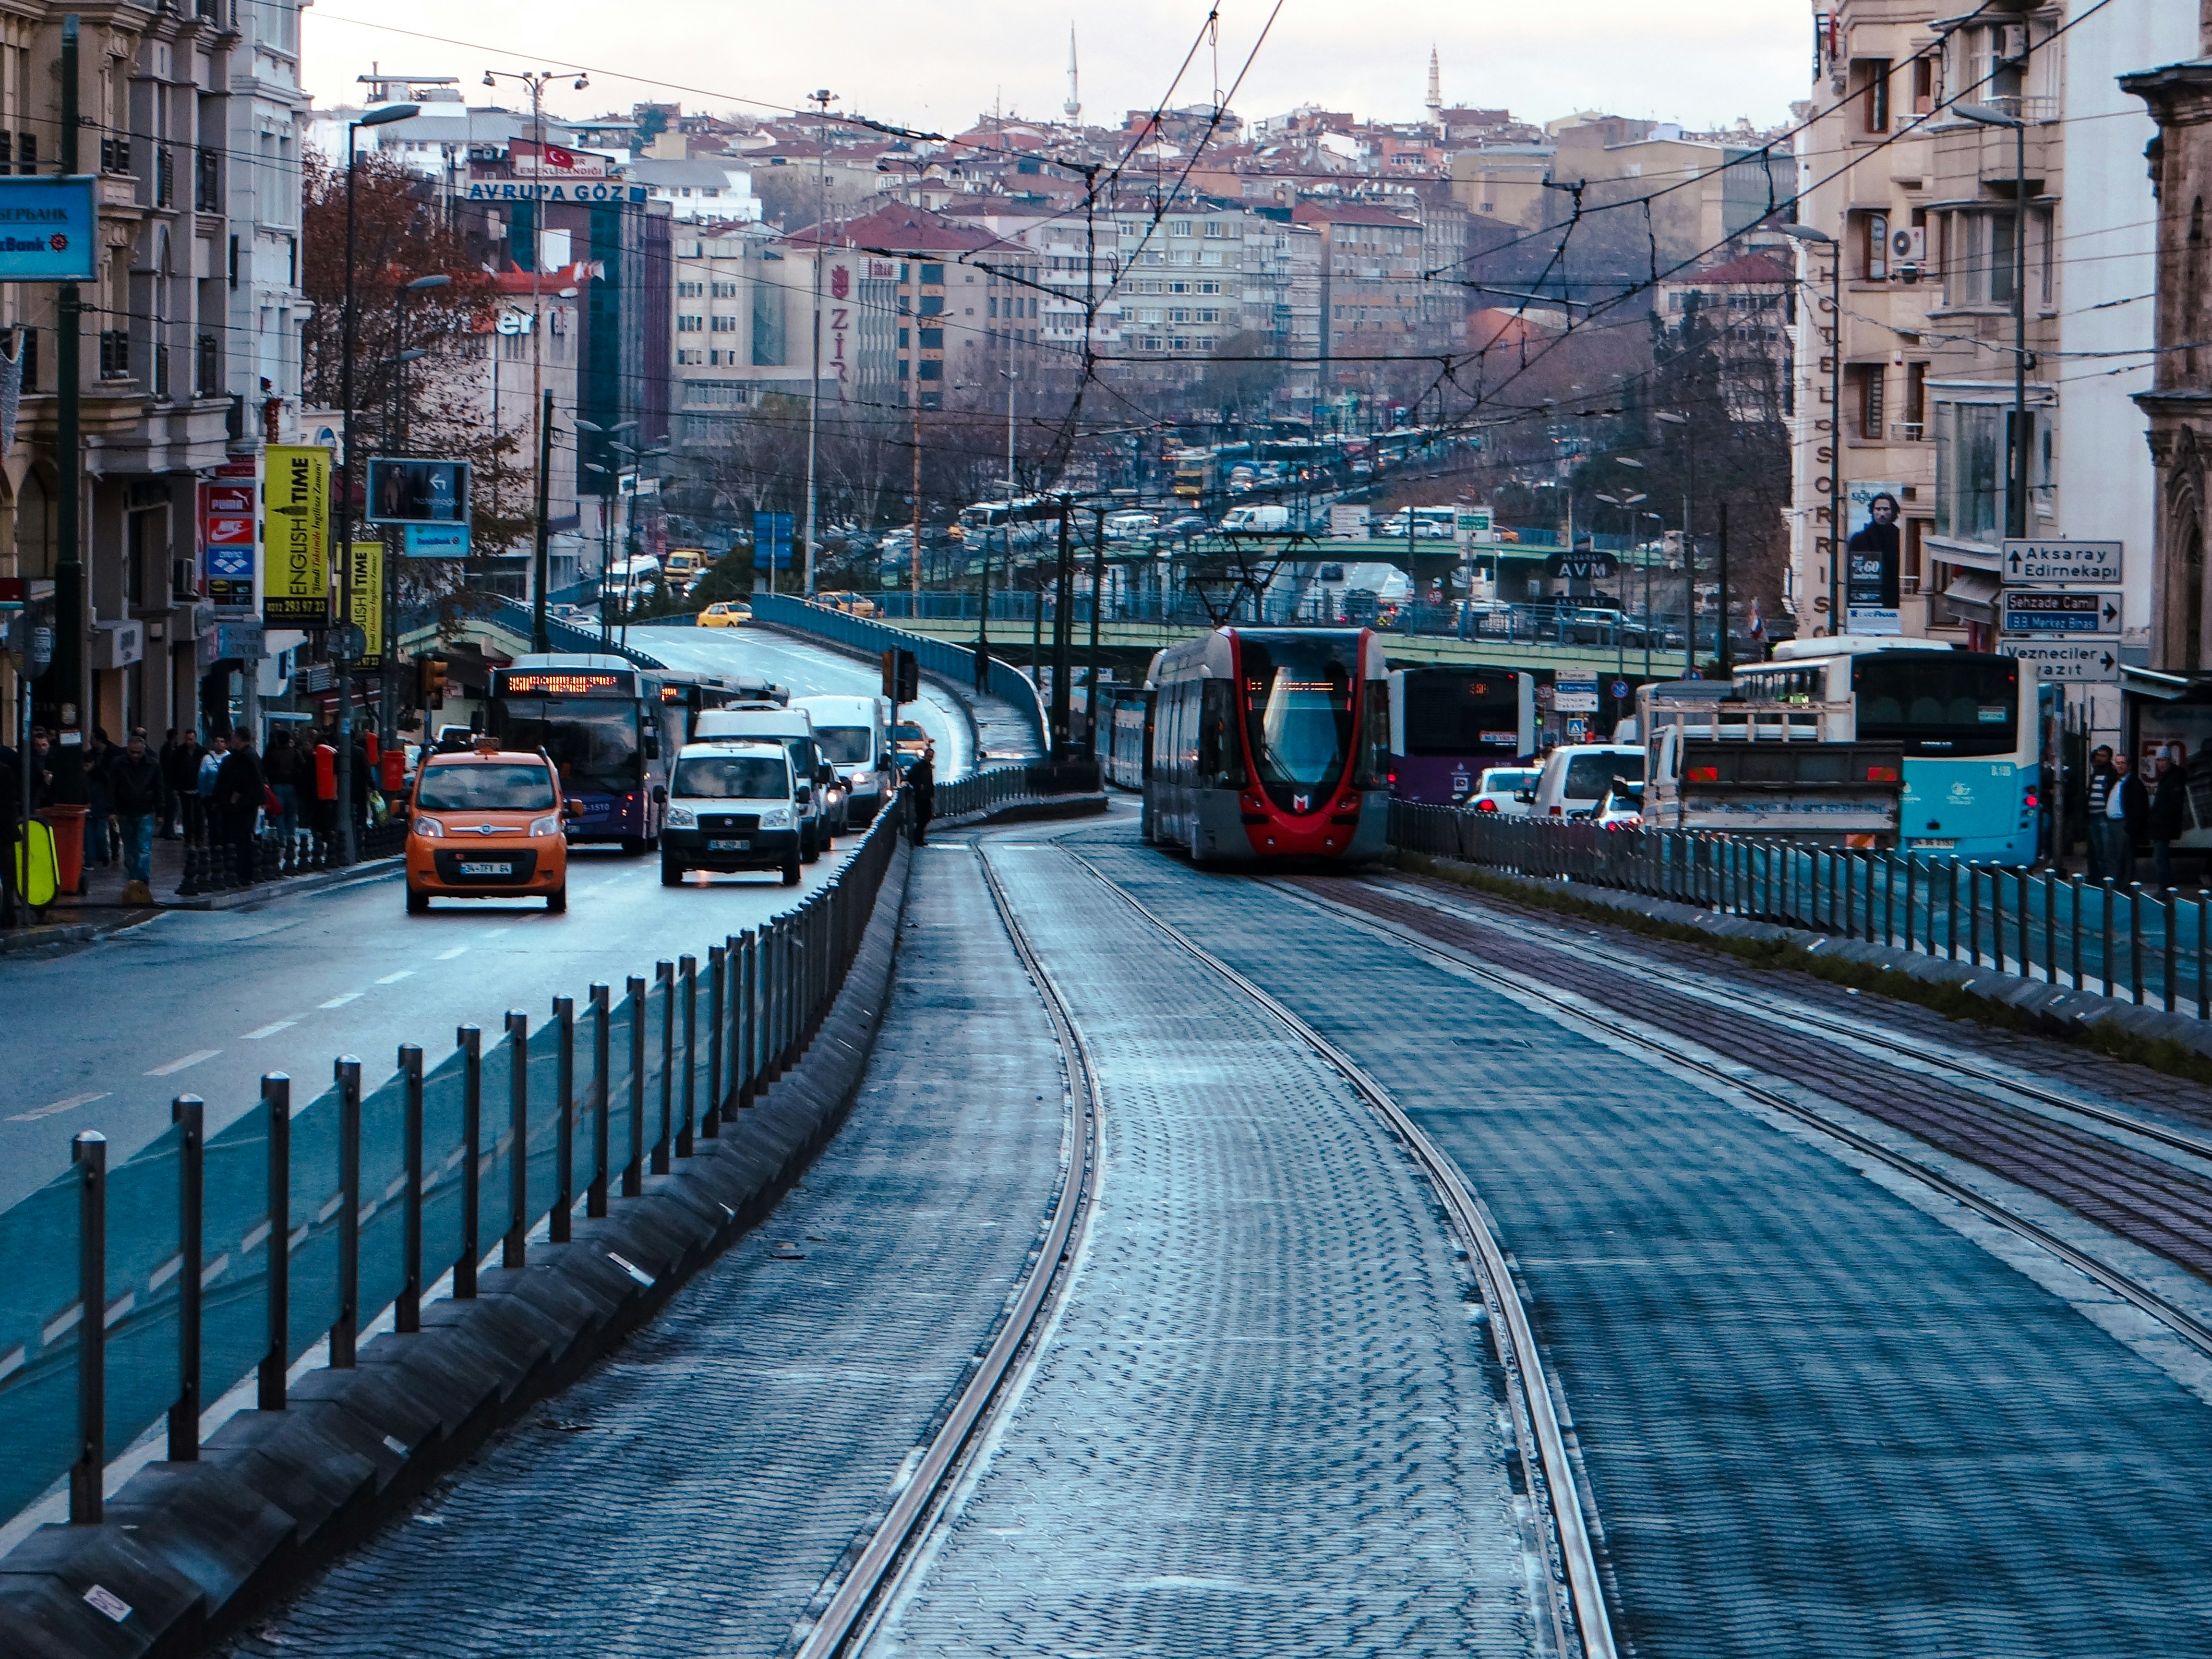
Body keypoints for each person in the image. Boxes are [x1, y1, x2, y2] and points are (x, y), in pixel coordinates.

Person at [106, 732, 163, 903]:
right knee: (131, 850)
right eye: (132, 752)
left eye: (138, 752)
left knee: (143, 848)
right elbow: (112, 788)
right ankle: (134, 880)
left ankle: (140, 881)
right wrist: (112, 810)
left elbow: (159, 788)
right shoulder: (118, 764)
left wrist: (160, 812)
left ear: (144, 750)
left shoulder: (153, 765)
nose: (136, 756)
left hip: (145, 810)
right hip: (126, 811)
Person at [212, 725, 265, 885]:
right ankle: (240, 871)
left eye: (235, 737)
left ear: (240, 738)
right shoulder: (244, 756)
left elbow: (247, 782)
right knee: (238, 837)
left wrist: (236, 797)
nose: (232, 740)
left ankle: (241, 872)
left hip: (242, 806)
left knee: (240, 838)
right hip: (241, 805)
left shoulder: (247, 757)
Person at [2092, 750, 2147, 887]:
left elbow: (2140, 807)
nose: (2120, 766)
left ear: (2129, 766)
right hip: (2111, 822)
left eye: (2123, 763)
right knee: (2110, 856)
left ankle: (2123, 885)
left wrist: (2131, 827)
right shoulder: (2114, 781)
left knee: (2124, 858)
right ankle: (2113, 883)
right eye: (2118, 763)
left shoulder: (2134, 783)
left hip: (2123, 824)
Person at [2151, 746, 2190, 889]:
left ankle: (2166, 888)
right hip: (2164, 824)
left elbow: (2173, 804)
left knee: (2159, 858)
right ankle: (2168, 887)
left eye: (2163, 760)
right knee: (2162, 858)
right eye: (2159, 761)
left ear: (2169, 761)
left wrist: (2158, 816)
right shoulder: (2171, 777)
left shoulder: (2173, 778)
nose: (2161, 764)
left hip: (2165, 825)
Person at [263, 726, 303, 846]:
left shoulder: (272, 753)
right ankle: (291, 837)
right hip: (292, 786)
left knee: (279, 813)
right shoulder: (295, 752)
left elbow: (265, 767)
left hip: (276, 786)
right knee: (292, 813)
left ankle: (282, 839)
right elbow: (303, 766)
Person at [2084, 745, 2116, 881]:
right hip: (2093, 816)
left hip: (2104, 816)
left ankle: (2105, 878)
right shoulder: (2095, 774)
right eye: (2098, 755)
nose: (2099, 758)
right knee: (2094, 850)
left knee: (2105, 851)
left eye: (2103, 756)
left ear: (2109, 758)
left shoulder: (2112, 775)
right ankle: (2095, 876)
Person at [907, 742, 936, 846]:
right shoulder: (919, 766)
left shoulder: (928, 767)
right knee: (922, 818)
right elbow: (910, 777)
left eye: (931, 757)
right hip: (920, 797)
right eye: (929, 756)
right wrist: (919, 786)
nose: (930, 758)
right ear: (925, 756)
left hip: (927, 797)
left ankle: (919, 837)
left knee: (927, 817)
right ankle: (917, 838)